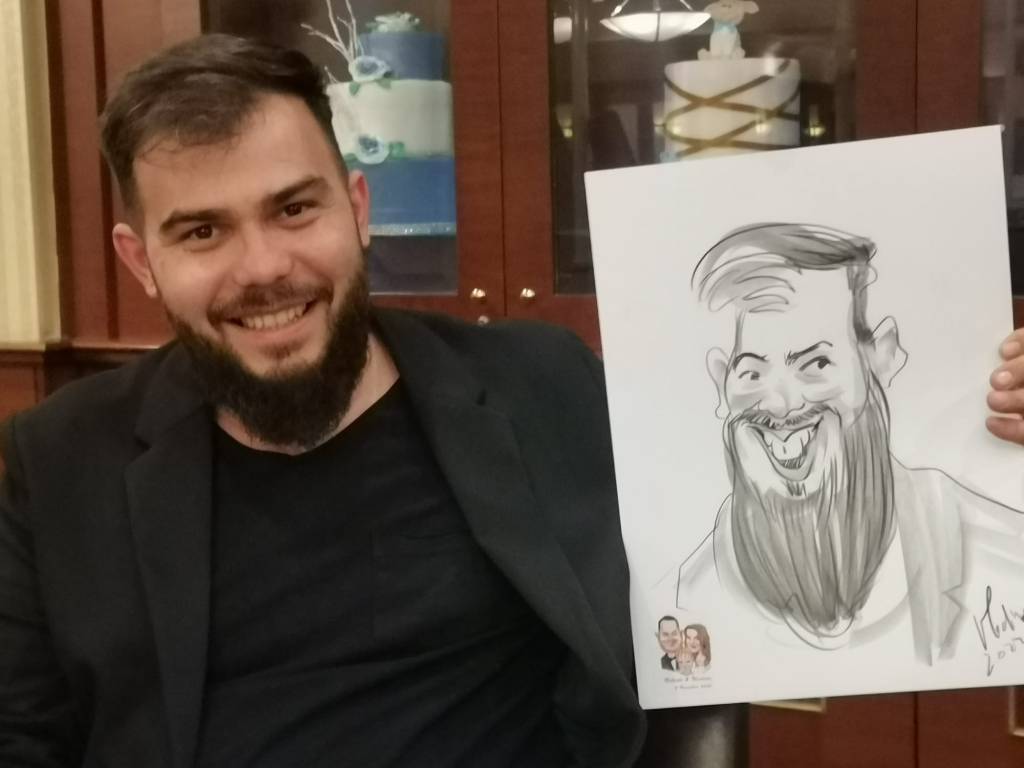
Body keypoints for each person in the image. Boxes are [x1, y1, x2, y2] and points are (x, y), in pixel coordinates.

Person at [0, 35, 645, 766]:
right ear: (141, 261)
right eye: (203, 231)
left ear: (358, 209)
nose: (264, 267)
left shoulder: (546, 385)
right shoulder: (60, 460)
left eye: (295, 209)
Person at [676, 223, 1024, 662]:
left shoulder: (1005, 553)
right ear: (720, 384)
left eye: (816, 363)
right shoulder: (689, 593)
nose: (781, 404)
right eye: (751, 373)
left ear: (881, 358)